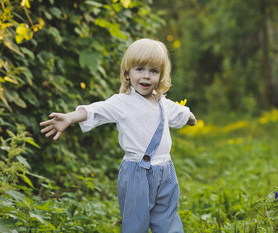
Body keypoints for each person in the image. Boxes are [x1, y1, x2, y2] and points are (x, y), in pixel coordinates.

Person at [40, 38, 197, 233]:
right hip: (136, 173)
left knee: (168, 218)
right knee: (135, 222)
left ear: (161, 76)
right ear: (127, 73)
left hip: (166, 172)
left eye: (154, 71)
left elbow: (180, 112)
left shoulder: (162, 102)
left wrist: (190, 117)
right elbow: (96, 110)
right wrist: (70, 118)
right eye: (140, 69)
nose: (146, 76)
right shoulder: (123, 102)